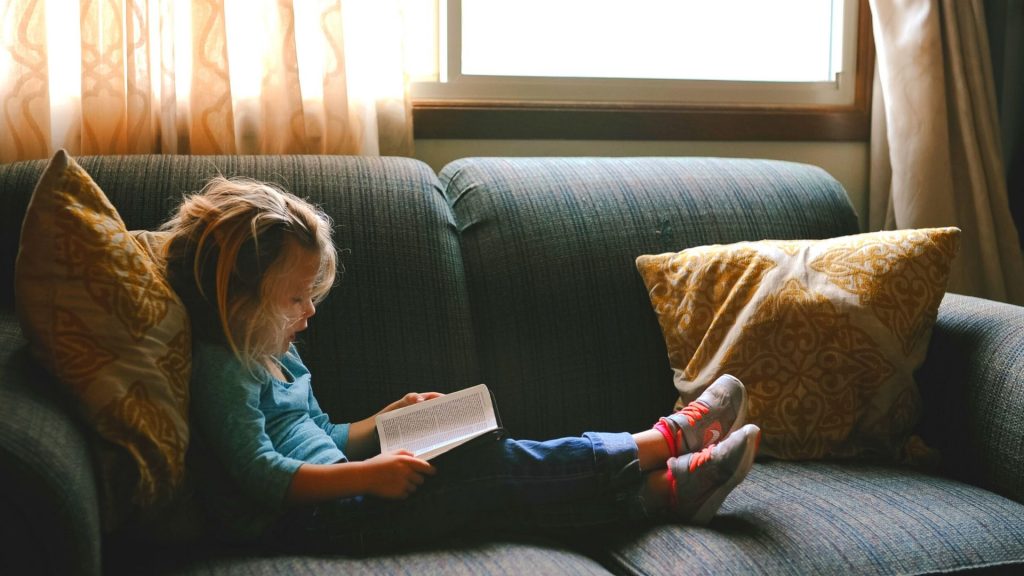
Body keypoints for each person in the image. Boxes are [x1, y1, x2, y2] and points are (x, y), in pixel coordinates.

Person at [161, 176, 761, 554]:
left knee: (493, 476)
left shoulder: (275, 349)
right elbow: (263, 474)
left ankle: (666, 492)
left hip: (344, 490)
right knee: (486, 468)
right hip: (320, 521)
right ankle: (665, 440)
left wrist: (383, 421)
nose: (309, 311)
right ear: (238, 297)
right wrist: (369, 475)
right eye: (294, 298)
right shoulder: (223, 369)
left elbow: (323, 435)